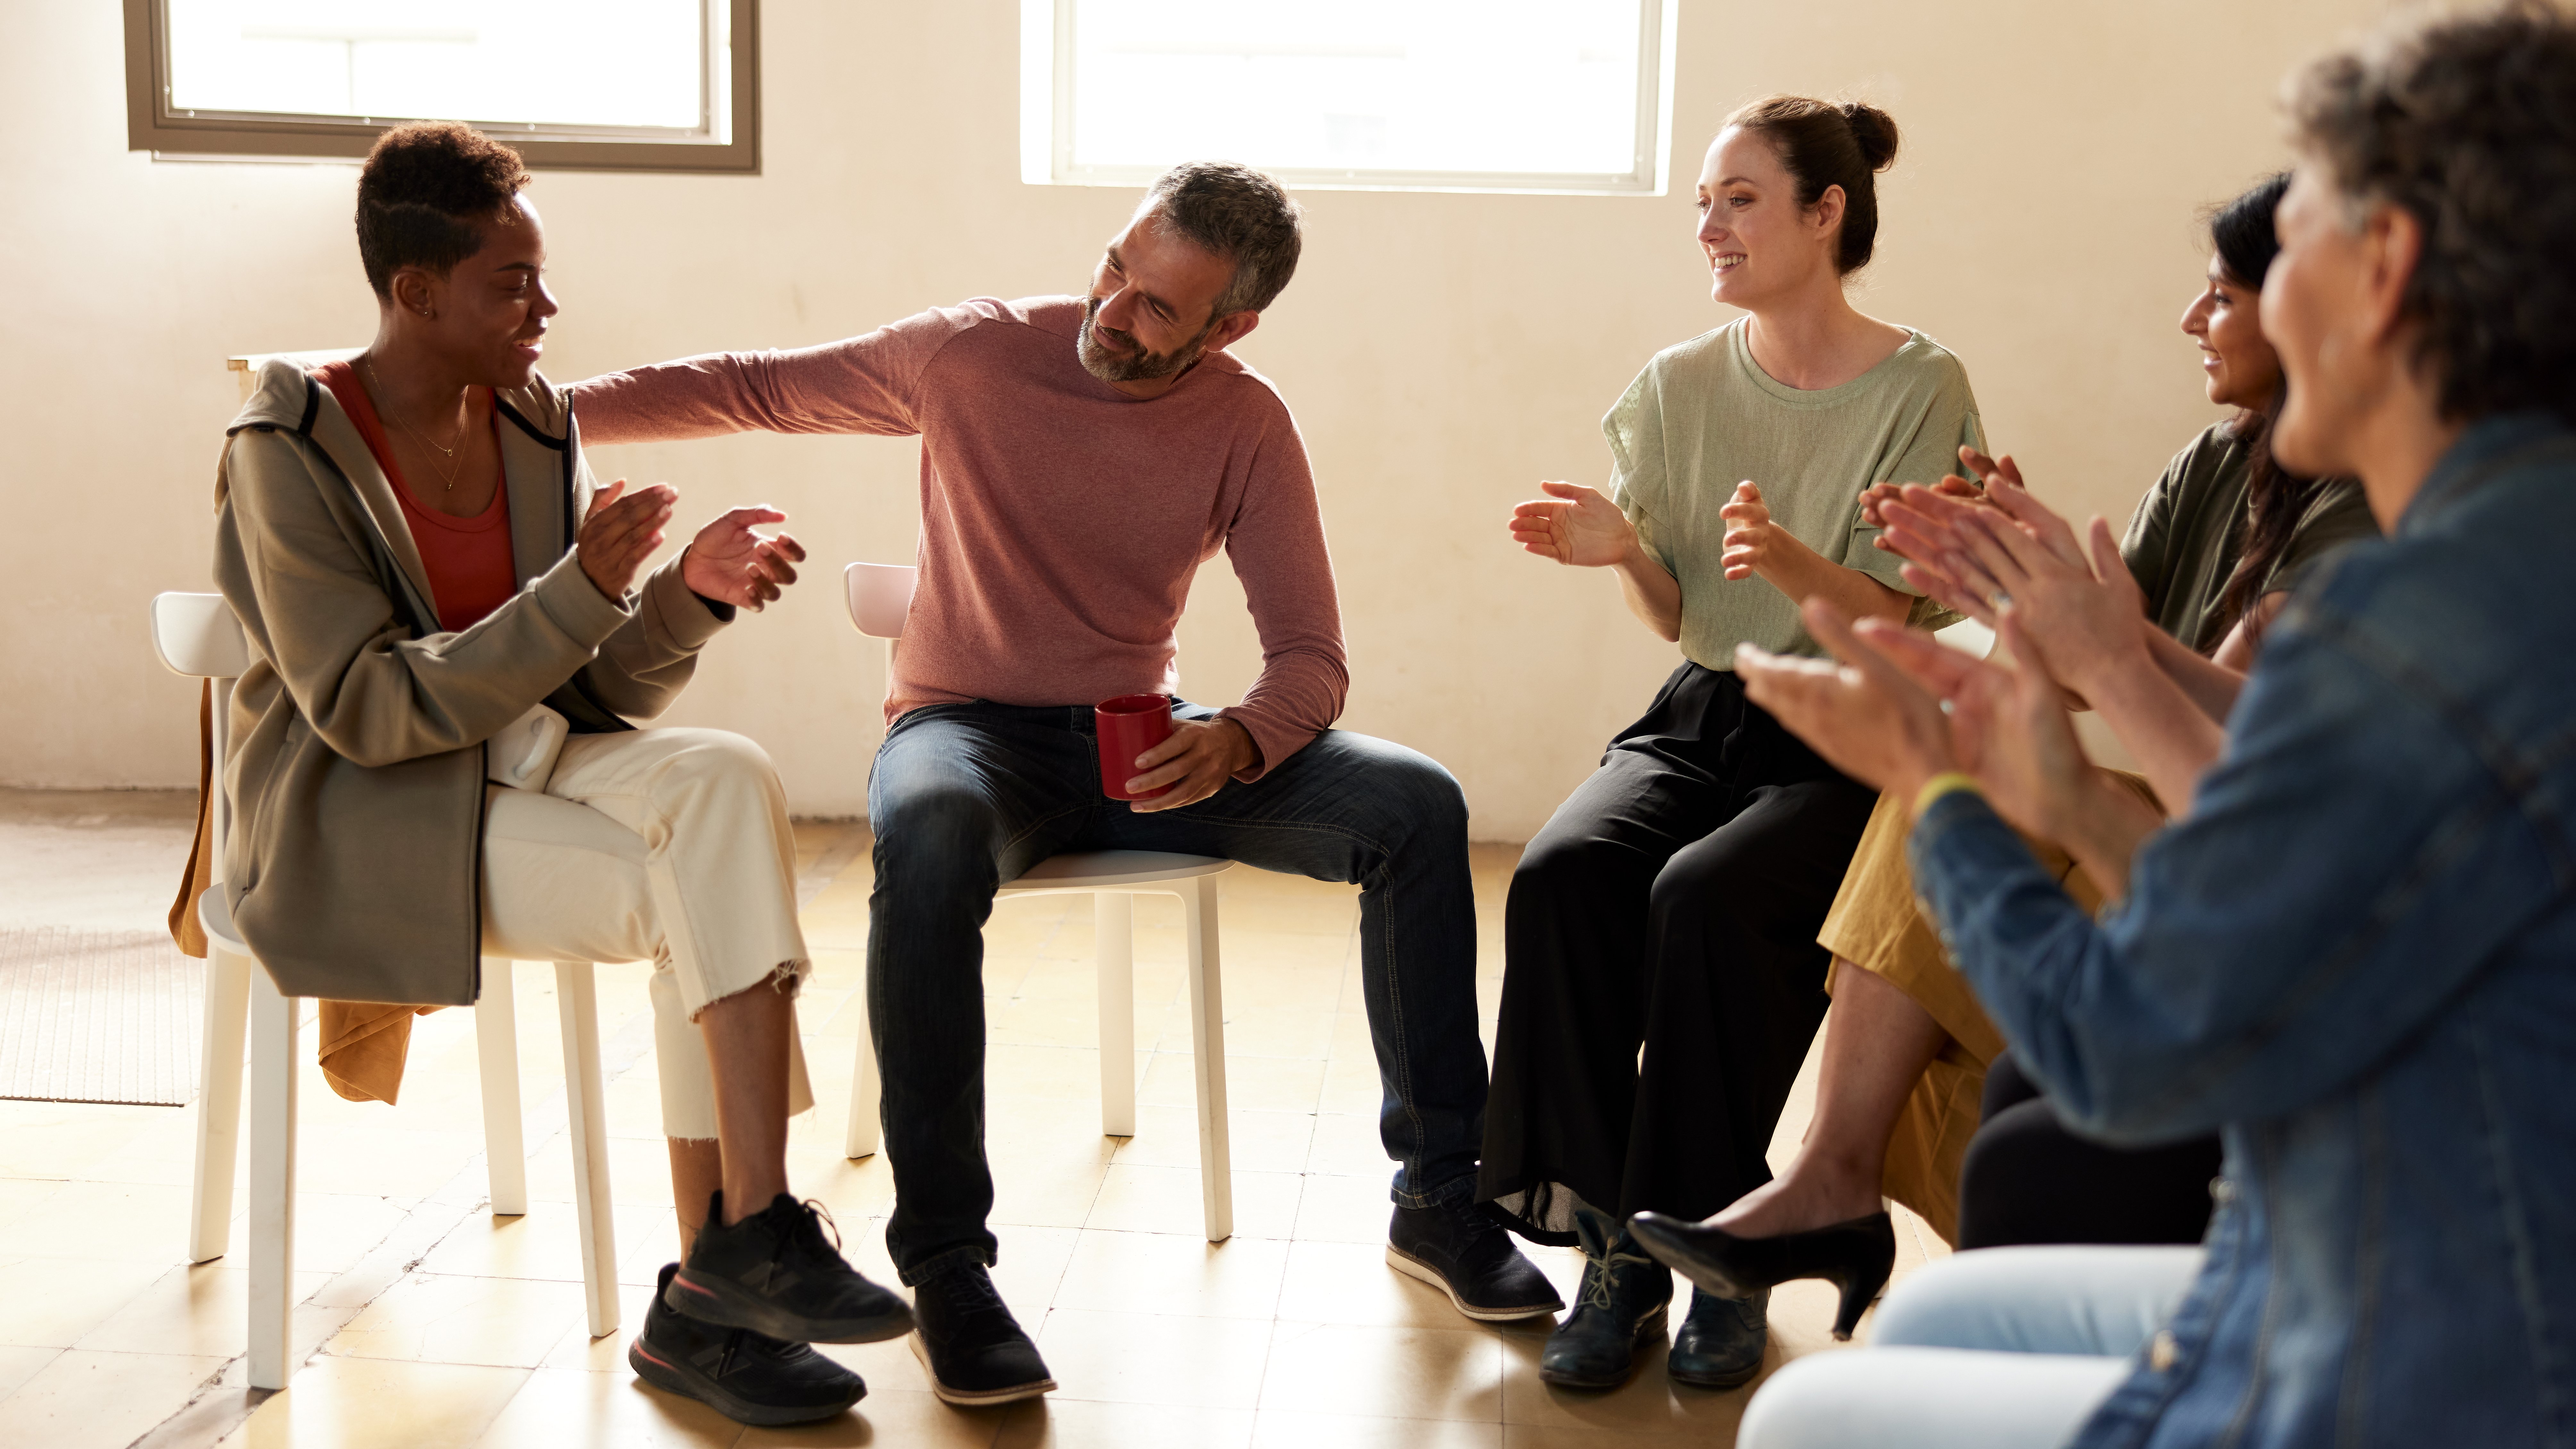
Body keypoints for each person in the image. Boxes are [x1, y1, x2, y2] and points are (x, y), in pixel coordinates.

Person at [1651, 5, 2576, 1443]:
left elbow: (2129, 1043)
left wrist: (1943, 791)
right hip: (2338, 1259)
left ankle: (1833, 1183)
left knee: (1798, 1422)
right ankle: (1835, 1188)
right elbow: (2279, 879)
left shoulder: (2416, 624)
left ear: (2382, 270)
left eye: (2298, 243)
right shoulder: (2498, 553)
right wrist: (2085, 681)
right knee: (1948, 1316)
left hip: (2403, 1355)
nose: (2219, 310)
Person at [570, 161, 1557, 1409]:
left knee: (1414, 805)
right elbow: (749, 384)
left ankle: (1441, 1202)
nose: (1113, 310)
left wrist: (1243, 738)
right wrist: (526, 414)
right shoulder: (970, 355)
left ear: (1230, 328)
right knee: (925, 836)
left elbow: (1310, 655)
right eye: (1114, 269)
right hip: (963, 732)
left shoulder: (1243, 422)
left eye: (1158, 307)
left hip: (1143, 744)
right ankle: (945, 1268)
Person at [211, 121, 912, 1429]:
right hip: (364, 812)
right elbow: (365, 710)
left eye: (540, 277)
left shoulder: (535, 427)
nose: (546, 306)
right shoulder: (287, 448)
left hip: (523, 765)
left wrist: (677, 603)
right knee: (697, 886)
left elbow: (583, 692)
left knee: (723, 778)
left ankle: (741, 1241)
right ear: (415, 293)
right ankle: (721, 1288)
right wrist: (577, 589)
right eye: (511, 281)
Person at [1686, 172, 2375, 1278]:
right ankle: (1833, 1178)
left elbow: (2193, 719)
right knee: (1934, 804)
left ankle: (1870, 1201)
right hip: (2160, 792)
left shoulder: (2379, 512)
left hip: (2239, 837)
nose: (2190, 322)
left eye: (2220, 298)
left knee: (1949, 835)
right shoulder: (2218, 459)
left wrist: (2065, 624)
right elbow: (2060, 669)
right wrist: (2009, 592)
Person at [1478, 95, 1981, 1391]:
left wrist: (1804, 563)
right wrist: (1629, 553)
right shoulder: (1676, 384)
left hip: (1847, 727)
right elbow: (1683, 609)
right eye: (1703, 199)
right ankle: (1615, 1242)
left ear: (1827, 213)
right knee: (1563, 873)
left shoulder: (1921, 383)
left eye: (1740, 198)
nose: (1708, 224)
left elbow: (1905, 617)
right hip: (1703, 708)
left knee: (1705, 900)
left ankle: (1713, 1245)